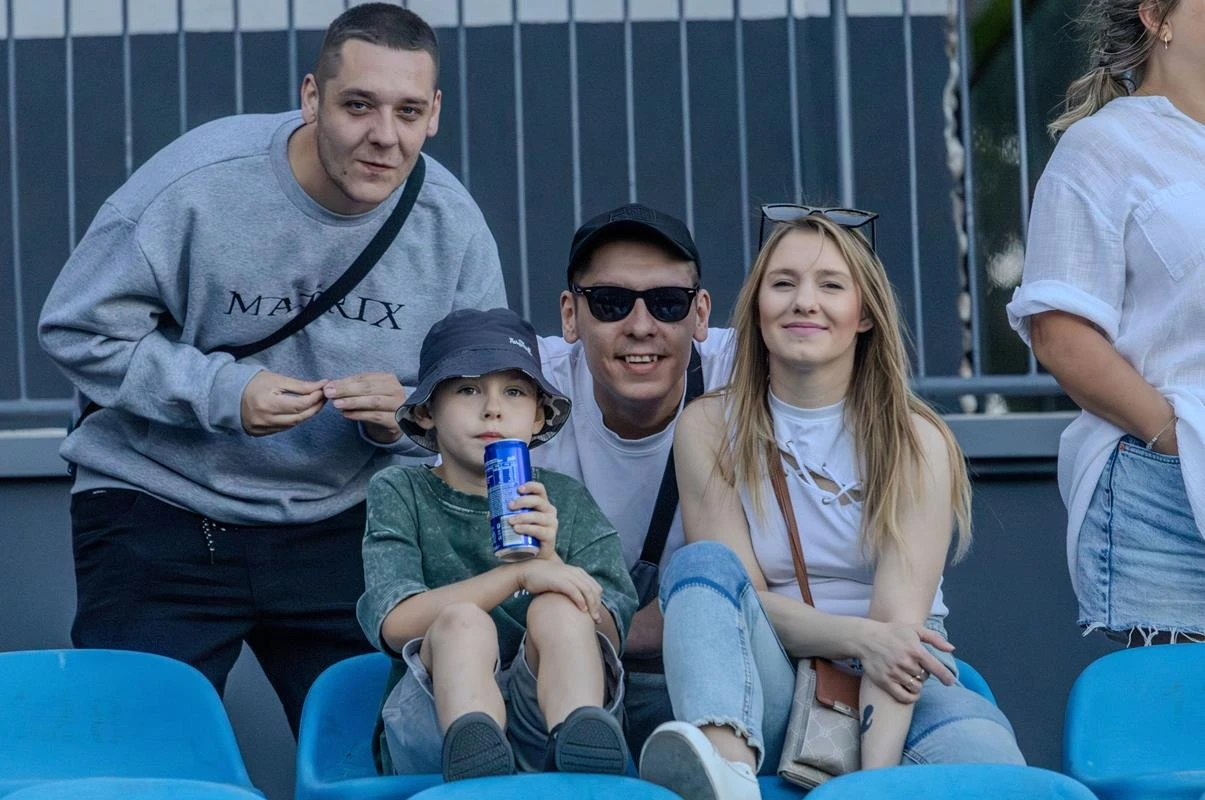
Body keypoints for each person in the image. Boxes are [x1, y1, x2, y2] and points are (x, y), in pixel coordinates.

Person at [36, 3, 506, 733]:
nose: (385, 135)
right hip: (159, 505)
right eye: (358, 105)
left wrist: (410, 418)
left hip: (345, 521)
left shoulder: (452, 225)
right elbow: (74, 326)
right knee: (139, 753)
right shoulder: (199, 184)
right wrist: (221, 392)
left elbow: (489, 400)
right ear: (312, 97)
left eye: (408, 111)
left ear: (434, 113)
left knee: (376, 753)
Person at [637, 212, 1024, 800]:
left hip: (900, 681)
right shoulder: (710, 426)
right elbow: (740, 600)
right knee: (698, 566)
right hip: (764, 670)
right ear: (758, 308)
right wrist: (859, 638)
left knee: (993, 765)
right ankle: (728, 775)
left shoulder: (916, 440)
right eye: (783, 283)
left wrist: (870, 786)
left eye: (831, 285)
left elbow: (897, 641)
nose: (804, 301)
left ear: (864, 313)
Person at [357, 307, 638, 780]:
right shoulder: (400, 491)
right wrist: (518, 574)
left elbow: (611, 632)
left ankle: (579, 750)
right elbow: (395, 624)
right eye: (467, 390)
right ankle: (477, 765)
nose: (492, 408)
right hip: (435, 729)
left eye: (514, 392)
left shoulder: (564, 499)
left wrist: (550, 562)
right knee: (462, 622)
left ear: (539, 415)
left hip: (541, 725)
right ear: (426, 411)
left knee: (560, 608)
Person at [1006, 0, 1205, 645]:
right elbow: (1060, 333)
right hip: (1164, 488)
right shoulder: (1102, 147)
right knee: (1175, 708)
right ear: (1155, 16)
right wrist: (1173, 437)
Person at [533, 203, 734, 754]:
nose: (641, 326)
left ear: (700, 314)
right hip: (562, 670)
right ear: (570, 315)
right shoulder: (520, 387)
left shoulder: (748, 375)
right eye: (611, 302)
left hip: (715, 668)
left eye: (667, 303)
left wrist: (614, 626)